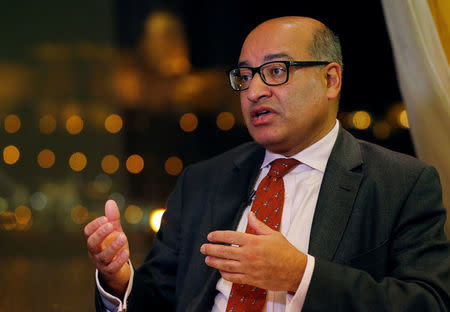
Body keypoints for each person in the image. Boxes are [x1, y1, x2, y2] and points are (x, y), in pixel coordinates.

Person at [84, 16, 450, 311]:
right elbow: (160, 298)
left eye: (276, 71)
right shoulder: (203, 181)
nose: (255, 91)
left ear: (330, 79)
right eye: (245, 77)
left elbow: (428, 303)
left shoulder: (400, 183)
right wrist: (119, 281)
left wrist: (300, 275)